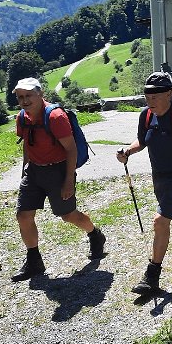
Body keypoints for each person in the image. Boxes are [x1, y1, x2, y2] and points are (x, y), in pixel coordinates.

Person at [116, 72, 172, 296]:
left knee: (160, 220)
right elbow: (142, 140)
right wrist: (128, 150)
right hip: (160, 176)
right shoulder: (146, 115)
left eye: (156, 94)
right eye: (147, 94)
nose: (150, 99)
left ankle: (152, 276)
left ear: (169, 93)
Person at [11, 77, 106, 282]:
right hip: (34, 172)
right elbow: (28, 144)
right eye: (21, 97)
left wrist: (68, 181)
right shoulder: (22, 117)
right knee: (23, 215)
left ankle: (94, 234)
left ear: (40, 94)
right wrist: (24, 172)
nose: (25, 101)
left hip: (58, 171)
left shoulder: (55, 116)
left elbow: (71, 149)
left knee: (69, 215)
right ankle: (34, 260)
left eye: (29, 96)